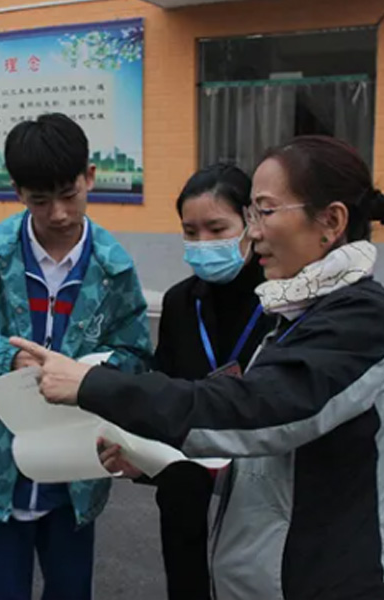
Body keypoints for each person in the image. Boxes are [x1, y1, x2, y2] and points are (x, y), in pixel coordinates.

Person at [11, 135, 384, 600]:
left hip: (315, 582)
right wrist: (153, 462)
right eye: (252, 215)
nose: (255, 230)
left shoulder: (360, 319)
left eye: (263, 211)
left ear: (331, 221)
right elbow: (274, 468)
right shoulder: (300, 310)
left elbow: (257, 412)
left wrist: (92, 384)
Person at [0, 113, 153, 600]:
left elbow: (135, 354)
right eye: (40, 200)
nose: (60, 214)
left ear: (90, 177)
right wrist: (5, 361)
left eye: (70, 195)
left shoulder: (114, 268)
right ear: (17, 191)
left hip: (77, 472)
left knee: (71, 591)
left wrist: (93, 376)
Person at [150, 163, 275, 600]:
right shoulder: (181, 301)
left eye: (217, 228)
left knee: (249, 567)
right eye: (191, 231)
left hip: (259, 463)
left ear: (250, 222)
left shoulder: (281, 298)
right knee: (184, 566)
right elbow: (162, 379)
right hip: (188, 462)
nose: (203, 243)